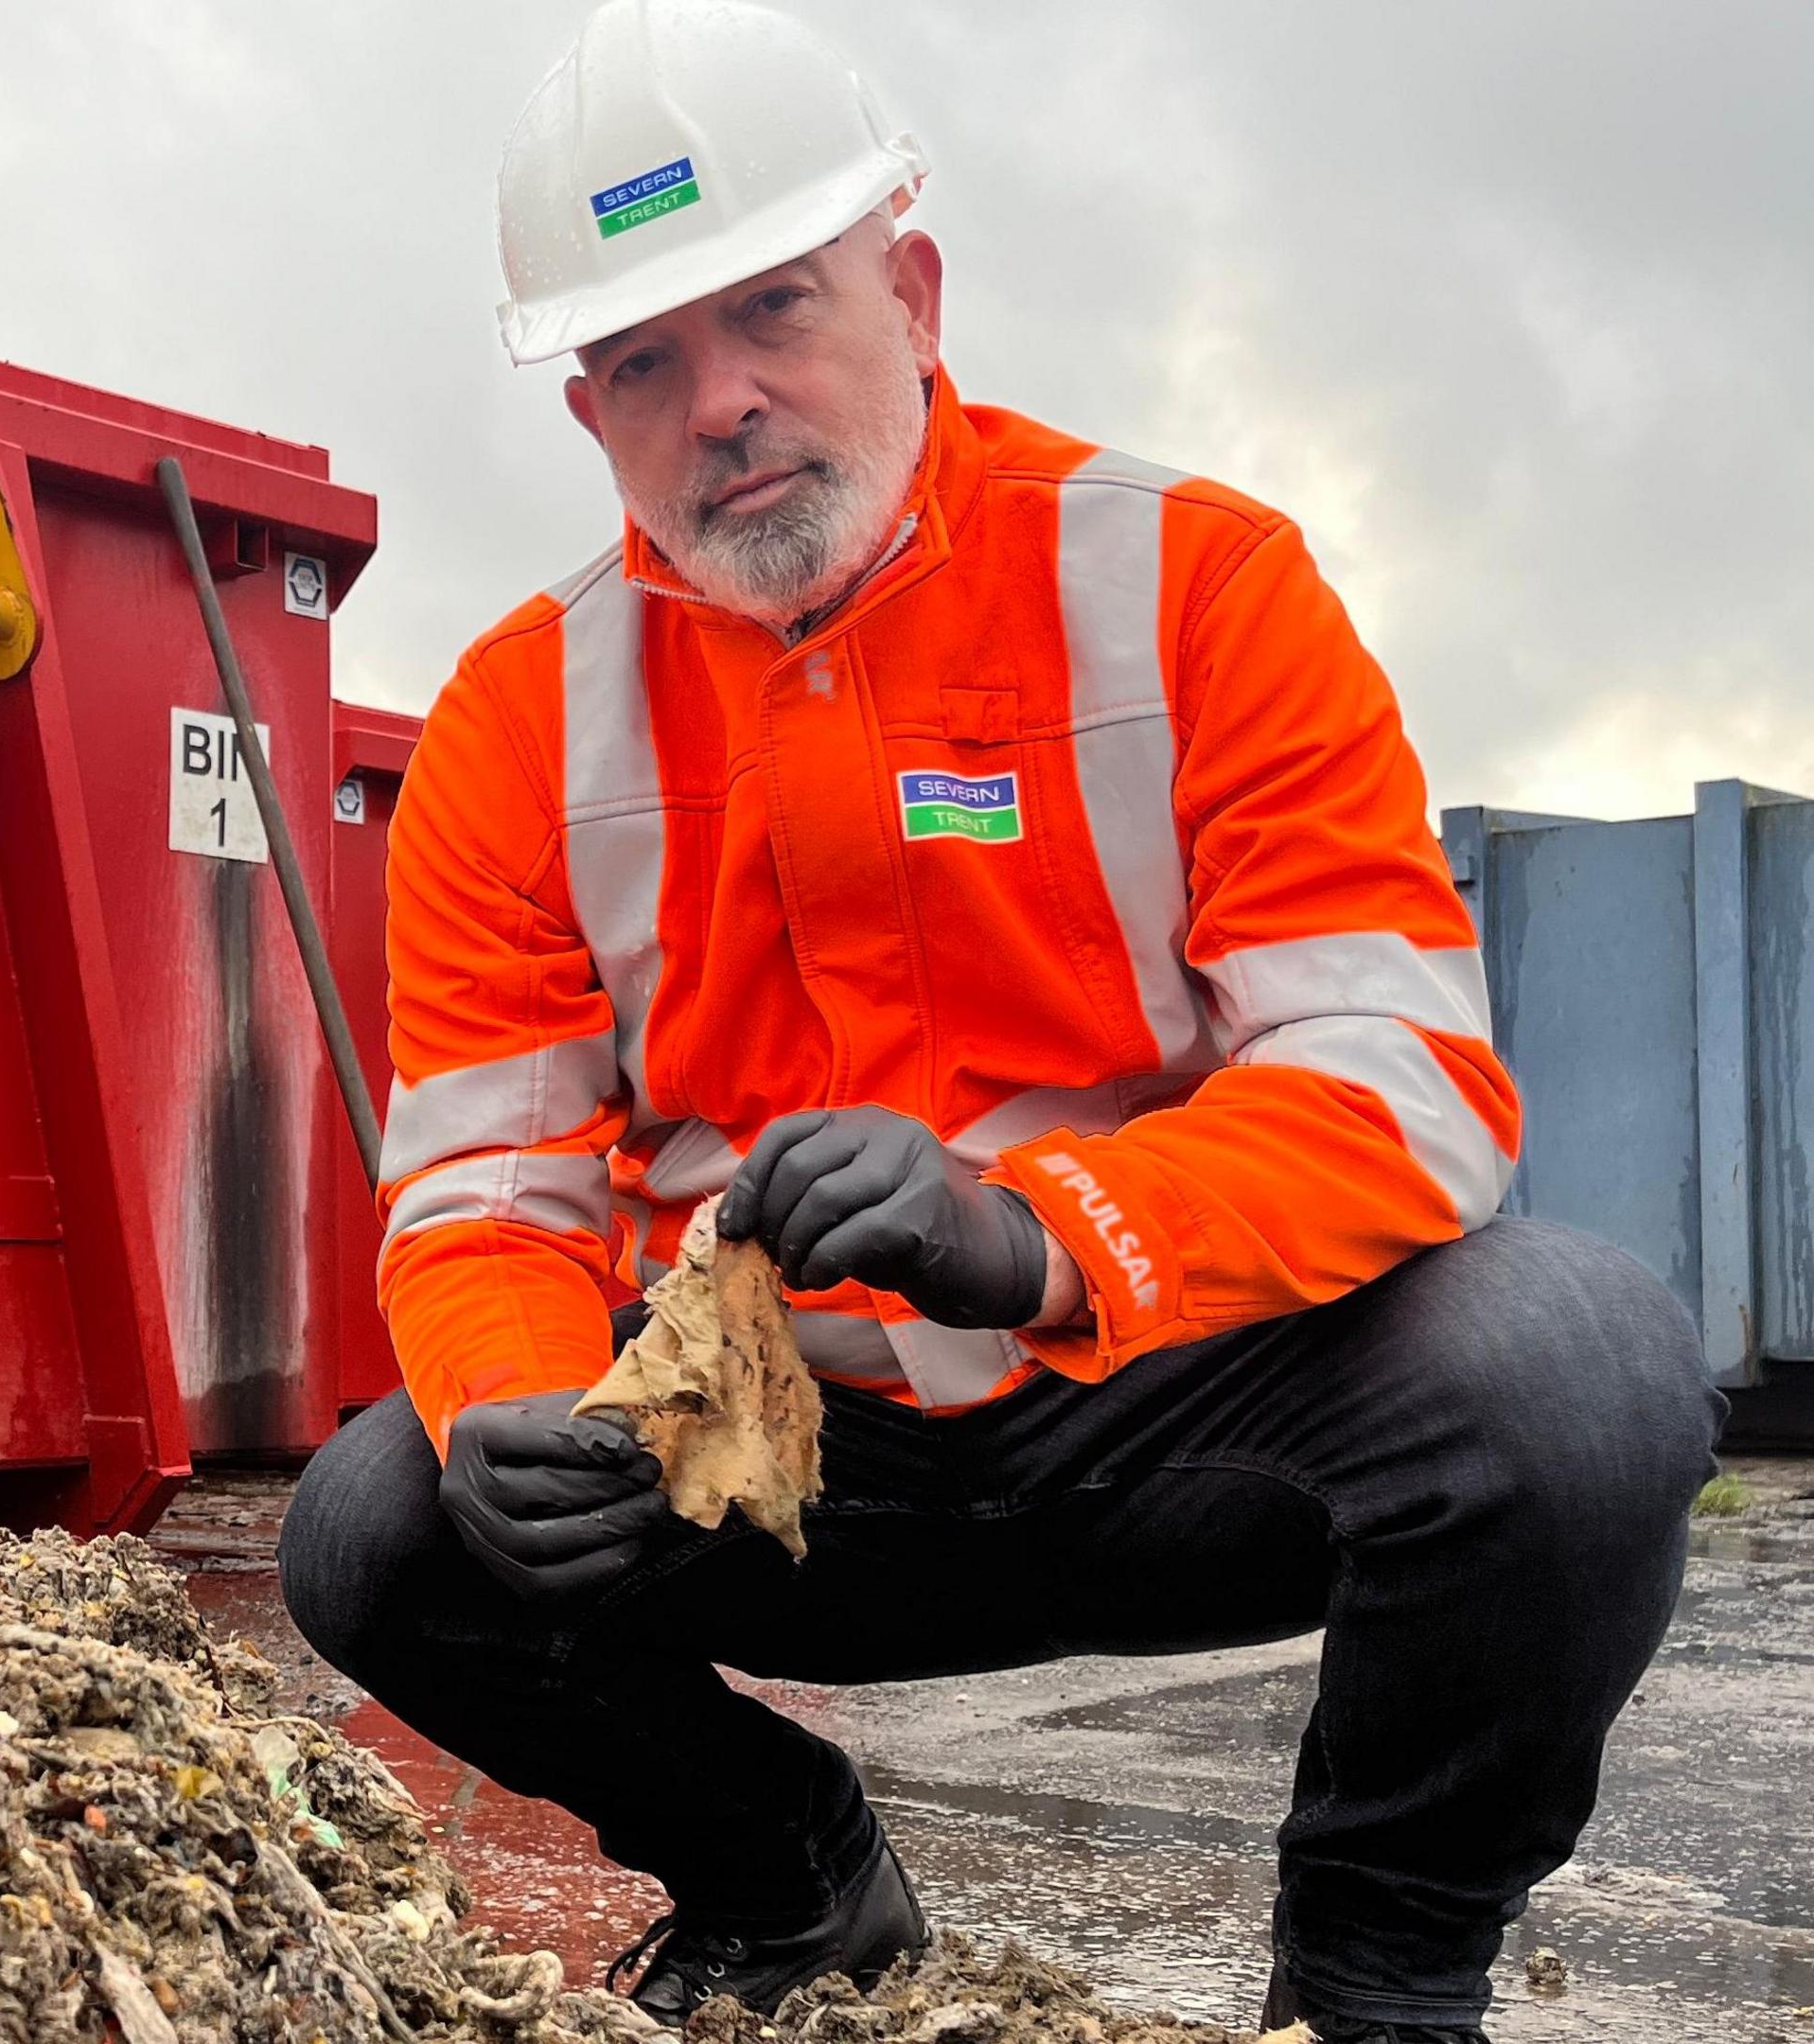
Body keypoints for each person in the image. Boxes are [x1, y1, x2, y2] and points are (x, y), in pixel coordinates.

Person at [273, 3, 1722, 2037]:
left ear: (916, 293)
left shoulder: (1197, 583)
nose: (724, 401)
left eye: (778, 304)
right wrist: (512, 1399)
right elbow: (486, 1182)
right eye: (642, 360)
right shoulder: (523, 720)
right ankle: (794, 1888)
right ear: (588, 413)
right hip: (793, 1460)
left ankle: (1379, 1967)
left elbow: (1402, 1079)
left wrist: (1034, 1233)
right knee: (383, 1523)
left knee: (1572, 1372)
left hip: (1189, 1409)